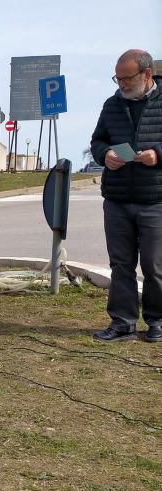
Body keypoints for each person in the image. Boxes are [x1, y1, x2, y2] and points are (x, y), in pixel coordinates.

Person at [89, 49, 162, 343]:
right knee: (120, 265)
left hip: (155, 199)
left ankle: (157, 322)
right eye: (117, 79)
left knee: (155, 265)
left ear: (146, 74)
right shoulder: (111, 105)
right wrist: (105, 154)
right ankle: (122, 322)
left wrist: (157, 154)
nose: (121, 84)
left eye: (127, 78)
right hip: (117, 199)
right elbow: (97, 140)